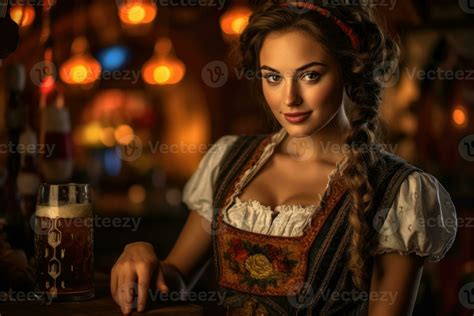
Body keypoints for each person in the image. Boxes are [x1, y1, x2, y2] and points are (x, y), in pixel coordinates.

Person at [110, 1, 458, 315]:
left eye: (310, 75)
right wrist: (141, 252)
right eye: (273, 77)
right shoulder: (227, 160)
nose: (289, 98)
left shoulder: (398, 193)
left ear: (349, 70)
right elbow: (174, 282)